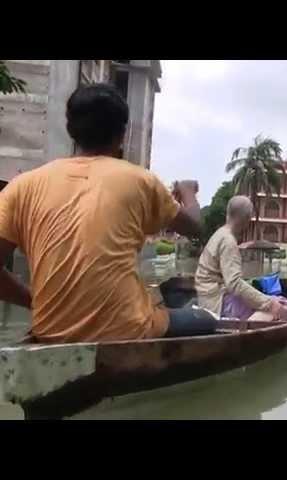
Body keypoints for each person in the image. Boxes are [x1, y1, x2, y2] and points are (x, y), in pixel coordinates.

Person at [0, 83, 212, 343]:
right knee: (206, 318)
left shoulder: (23, 186)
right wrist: (188, 192)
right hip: (128, 330)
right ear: (123, 134)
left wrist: (34, 301)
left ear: (70, 130)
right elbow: (194, 226)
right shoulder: (139, 180)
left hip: (50, 331)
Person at [195, 196, 287, 322]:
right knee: (284, 306)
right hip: (218, 303)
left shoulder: (219, 234)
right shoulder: (228, 241)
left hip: (208, 298)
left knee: (272, 301)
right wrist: (269, 303)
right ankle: (243, 330)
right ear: (246, 218)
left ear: (228, 213)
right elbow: (234, 284)